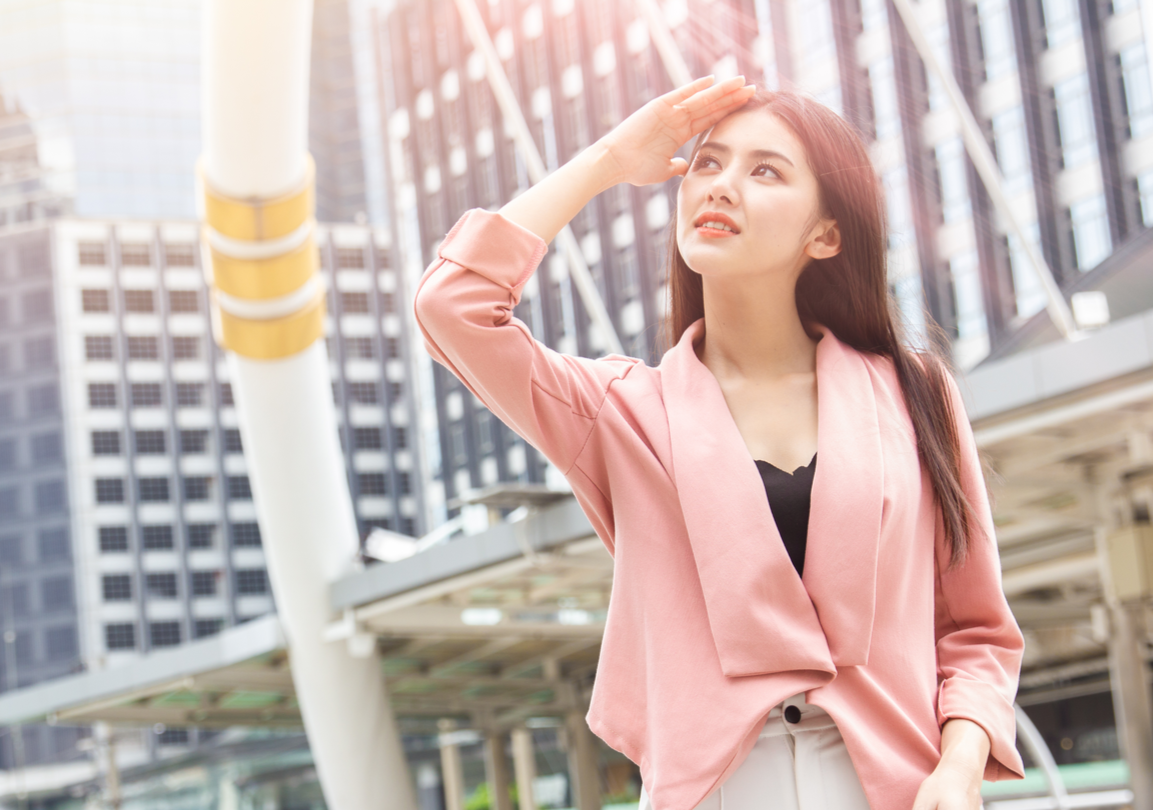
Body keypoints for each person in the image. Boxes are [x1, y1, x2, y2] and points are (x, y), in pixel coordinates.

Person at [413, 75, 1025, 810]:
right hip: (713, 790)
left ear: (825, 234)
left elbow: (976, 632)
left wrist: (957, 771)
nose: (722, 186)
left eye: (765, 170)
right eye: (708, 163)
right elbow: (453, 307)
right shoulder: (622, 412)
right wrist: (611, 158)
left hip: (892, 788)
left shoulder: (914, 394)